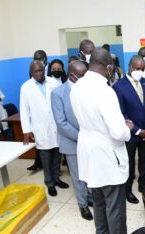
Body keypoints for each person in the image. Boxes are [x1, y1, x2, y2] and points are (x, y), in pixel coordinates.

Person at [70, 48, 133, 234]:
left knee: (98, 202)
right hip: (106, 155)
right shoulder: (105, 91)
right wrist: (126, 127)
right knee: (115, 207)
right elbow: (118, 132)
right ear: (109, 66)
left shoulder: (77, 87)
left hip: (89, 153)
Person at [51, 60, 93, 220]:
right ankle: (83, 205)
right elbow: (61, 123)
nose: (86, 77)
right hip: (72, 142)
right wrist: (81, 137)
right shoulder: (58, 93)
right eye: (83, 75)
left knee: (89, 173)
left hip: (90, 141)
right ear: (72, 75)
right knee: (78, 176)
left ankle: (90, 198)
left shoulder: (87, 89)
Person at [20, 60, 69, 196]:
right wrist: (26, 130)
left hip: (56, 125)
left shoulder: (53, 82)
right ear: (31, 72)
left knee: (57, 155)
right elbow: (24, 110)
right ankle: (50, 183)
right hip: (40, 127)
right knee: (45, 158)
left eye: (41, 70)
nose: (39, 73)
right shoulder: (26, 87)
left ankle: (57, 178)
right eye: (36, 71)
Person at [113, 55, 145, 204]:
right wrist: (137, 130)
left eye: (143, 69)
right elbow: (120, 113)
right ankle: (128, 190)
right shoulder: (119, 86)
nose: (140, 72)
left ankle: (143, 185)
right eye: (138, 69)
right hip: (130, 134)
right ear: (130, 67)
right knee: (129, 164)